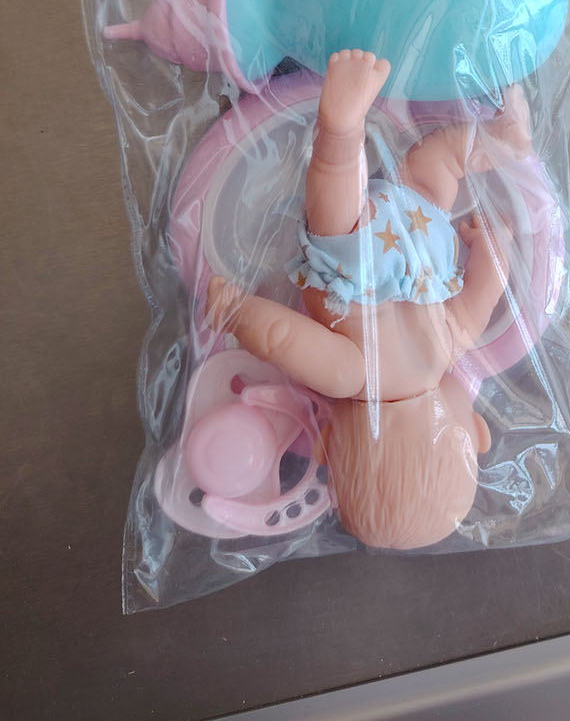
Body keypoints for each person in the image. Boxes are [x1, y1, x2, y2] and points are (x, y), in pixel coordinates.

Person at [206, 49, 532, 548]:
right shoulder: (349, 377)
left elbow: (489, 285)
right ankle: (341, 129)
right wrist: (233, 311)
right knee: (332, 188)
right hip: (350, 262)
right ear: (325, 444)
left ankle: (498, 142)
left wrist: (493, 242)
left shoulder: (447, 344)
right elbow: (280, 337)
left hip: (425, 239)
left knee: (438, 164)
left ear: (476, 432)